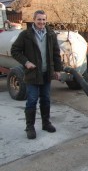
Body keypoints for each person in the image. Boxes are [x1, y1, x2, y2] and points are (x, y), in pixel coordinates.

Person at [11, 10, 62, 140]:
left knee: (45, 99)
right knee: (32, 101)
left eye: (44, 20)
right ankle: (30, 127)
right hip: (32, 74)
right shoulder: (26, 35)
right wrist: (26, 62)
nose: (42, 22)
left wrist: (57, 69)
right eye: (39, 19)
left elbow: (56, 53)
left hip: (46, 73)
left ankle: (46, 123)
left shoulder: (50, 34)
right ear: (34, 20)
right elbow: (15, 50)